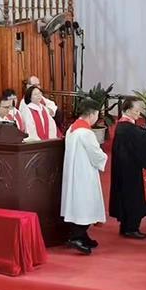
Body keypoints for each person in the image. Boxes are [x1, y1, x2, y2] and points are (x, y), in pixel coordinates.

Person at [109, 97, 146, 238]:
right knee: (132, 196)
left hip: (126, 168)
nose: (139, 113)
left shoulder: (124, 126)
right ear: (128, 110)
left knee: (127, 196)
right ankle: (130, 228)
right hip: (130, 170)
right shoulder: (127, 128)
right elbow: (145, 137)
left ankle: (126, 226)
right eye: (137, 110)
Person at [61, 99, 106, 255]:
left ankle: (82, 235)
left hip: (74, 172)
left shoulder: (72, 129)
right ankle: (76, 236)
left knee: (79, 204)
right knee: (86, 205)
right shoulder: (86, 133)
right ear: (92, 114)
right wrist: (104, 157)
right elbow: (96, 154)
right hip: (84, 174)